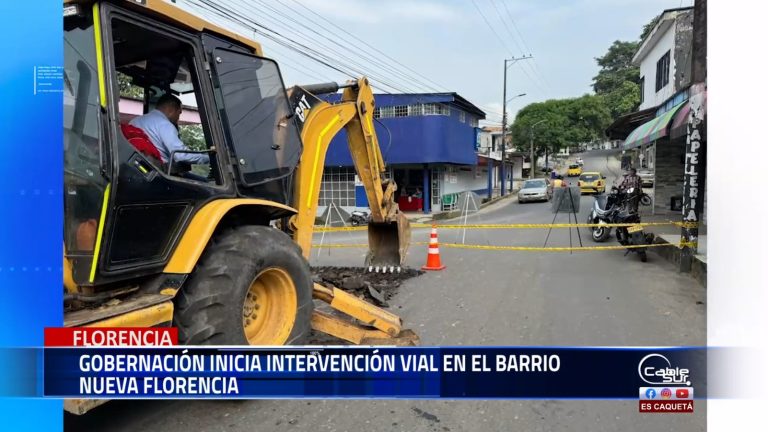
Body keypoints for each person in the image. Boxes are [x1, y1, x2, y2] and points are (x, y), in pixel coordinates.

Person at [130, 94, 209, 167]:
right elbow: (181, 156)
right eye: (179, 113)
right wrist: (209, 158)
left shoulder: (134, 121)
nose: (178, 117)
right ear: (171, 109)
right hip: (161, 173)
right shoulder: (165, 125)